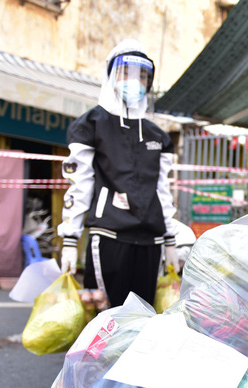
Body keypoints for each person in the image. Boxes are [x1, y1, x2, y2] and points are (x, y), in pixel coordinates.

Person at [58, 39, 179, 309]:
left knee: (144, 317)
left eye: (143, 75)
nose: (135, 81)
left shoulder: (157, 136)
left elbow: (163, 190)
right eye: (126, 72)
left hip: (152, 240)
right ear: (111, 75)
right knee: (108, 316)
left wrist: (171, 241)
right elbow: (81, 183)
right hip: (109, 235)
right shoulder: (91, 125)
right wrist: (70, 238)